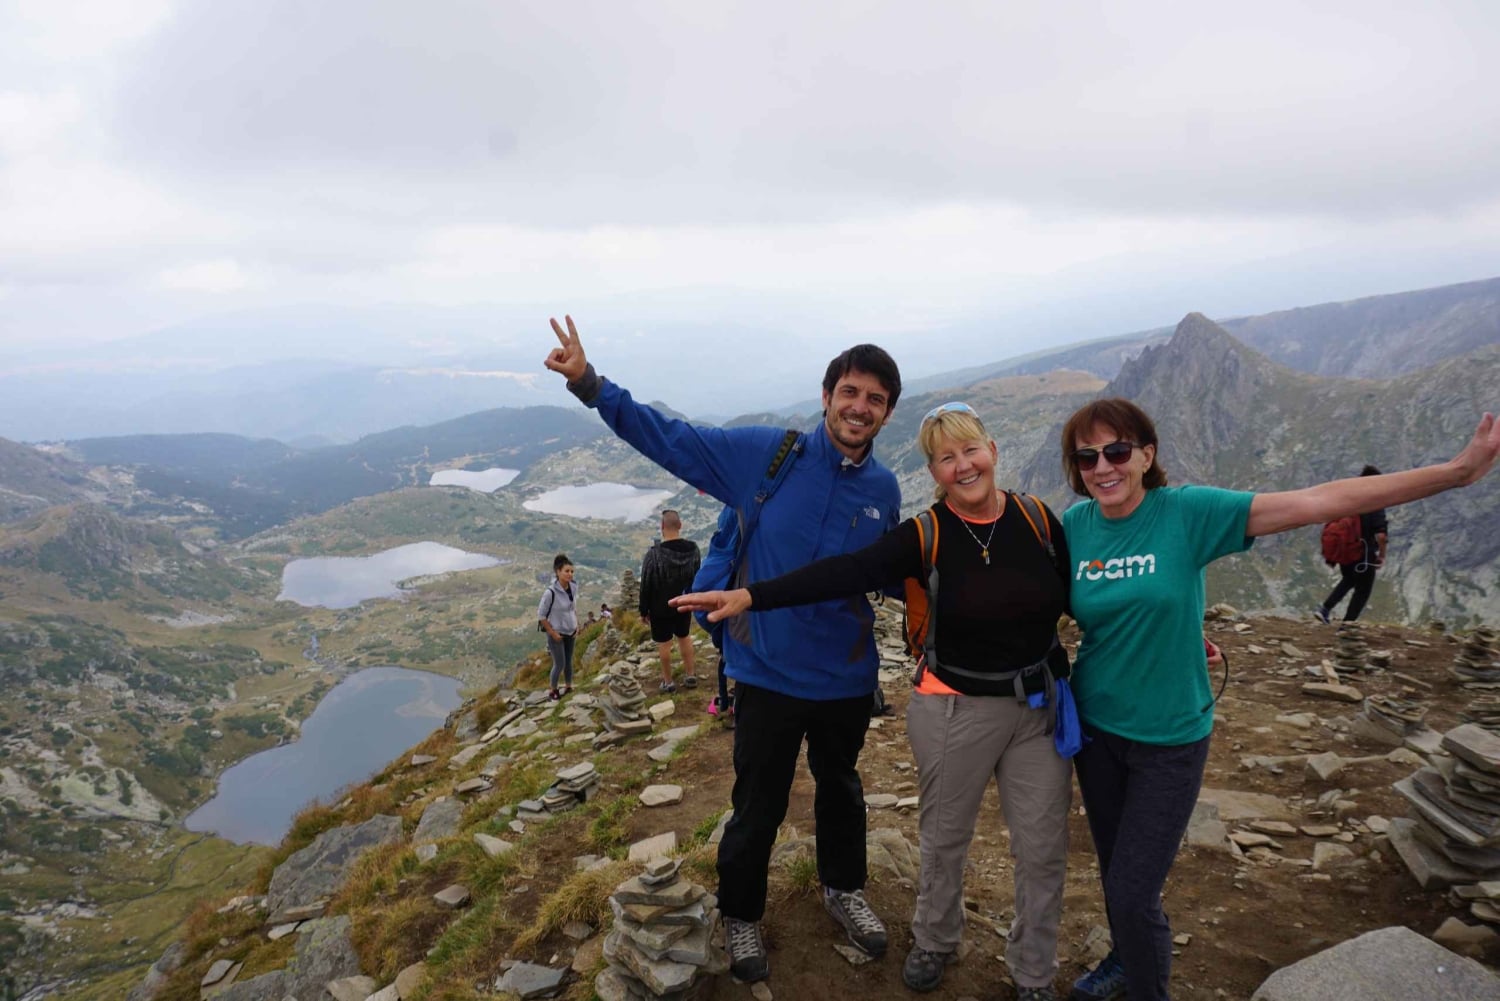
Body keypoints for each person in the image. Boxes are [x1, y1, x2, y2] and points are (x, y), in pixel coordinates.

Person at [1060, 399, 1500, 1001]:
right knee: (1117, 877)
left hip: (1169, 739)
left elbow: (1317, 501)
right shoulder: (1075, 527)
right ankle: (1121, 960)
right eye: (1087, 456)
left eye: (1115, 451)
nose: (1102, 467)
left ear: (1146, 455)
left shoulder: (1187, 512)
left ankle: (1145, 987)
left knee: (1135, 892)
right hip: (1097, 729)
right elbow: (1031, 600)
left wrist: (1455, 472)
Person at [673, 401, 1074, 1001]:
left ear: (992, 449)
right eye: (946, 458)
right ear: (933, 472)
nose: (963, 467)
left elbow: (1083, 596)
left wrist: (1166, 632)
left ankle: (1032, 974)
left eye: (970, 451)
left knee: (1041, 850)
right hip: (944, 707)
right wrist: (751, 596)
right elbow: (840, 572)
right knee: (931, 839)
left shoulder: (1040, 521)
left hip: (1032, 709)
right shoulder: (925, 533)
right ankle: (924, 940)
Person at [544, 315, 901, 982]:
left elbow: (882, 573)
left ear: (886, 413)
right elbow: (673, 440)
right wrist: (592, 385)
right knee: (758, 803)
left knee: (842, 789)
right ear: (827, 396)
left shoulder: (882, 490)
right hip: (765, 670)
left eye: (875, 399)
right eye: (850, 392)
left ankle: (843, 888)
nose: (859, 407)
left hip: (846, 678)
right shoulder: (768, 456)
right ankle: (741, 912)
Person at [1314, 465, 1389, 623]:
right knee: (1363, 591)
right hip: (1364, 554)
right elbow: (1381, 536)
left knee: (1348, 579)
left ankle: (1325, 609)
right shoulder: (1375, 502)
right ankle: (1347, 627)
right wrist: (1382, 555)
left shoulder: (1350, 498)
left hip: (1346, 551)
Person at [639, 509, 703, 692]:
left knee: (664, 643)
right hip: (684, 602)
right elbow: (697, 575)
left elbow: (647, 583)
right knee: (684, 637)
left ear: (662, 527)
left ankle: (668, 682)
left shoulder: (654, 554)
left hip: (660, 606)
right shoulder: (693, 549)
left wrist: (643, 610)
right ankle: (691, 675)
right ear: (680, 526)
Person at [537, 553, 578, 701]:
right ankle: (553, 690)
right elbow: (541, 615)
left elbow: (573, 608)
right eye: (566, 571)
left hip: (571, 631)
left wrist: (576, 625)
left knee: (568, 661)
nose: (570, 574)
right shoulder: (550, 592)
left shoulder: (573, 587)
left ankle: (568, 686)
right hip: (557, 633)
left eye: (572, 571)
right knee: (559, 663)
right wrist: (552, 633)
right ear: (558, 572)